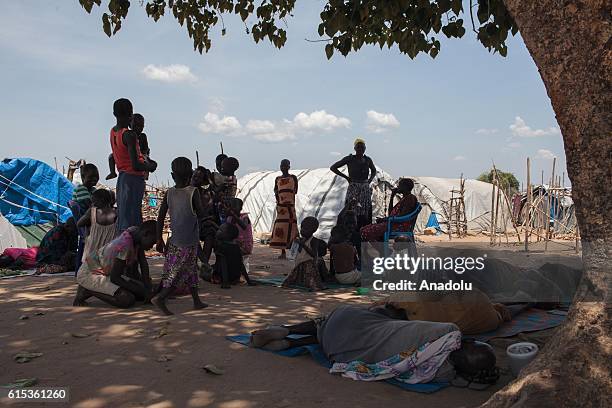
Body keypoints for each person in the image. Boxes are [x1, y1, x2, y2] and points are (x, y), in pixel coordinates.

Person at [250, 305, 498, 386]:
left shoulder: (448, 331)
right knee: (348, 338)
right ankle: (292, 342)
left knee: (335, 322)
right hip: (340, 351)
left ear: (468, 343)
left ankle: (287, 330)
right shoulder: (438, 372)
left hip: (346, 320)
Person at [153, 157, 208, 315]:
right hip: (188, 241)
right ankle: (161, 298)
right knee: (179, 273)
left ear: (172, 175)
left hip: (175, 241)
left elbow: (160, 217)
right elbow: (202, 214)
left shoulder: (169, 193)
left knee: (190, 271)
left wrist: (158, 239)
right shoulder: (193, 192)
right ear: (191, 174)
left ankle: (196, 301)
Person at [73, 220, 157, 308]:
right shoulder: (125, 245)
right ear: (146, 234)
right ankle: (87, 290)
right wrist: (143, 290)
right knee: (126, 299)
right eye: (153, 242)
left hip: (105, 271)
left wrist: (147, 288)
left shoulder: (136, 234)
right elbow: (115, 278)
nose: (152, 246)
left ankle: (92, 288)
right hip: (90, 272)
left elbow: (143, 264)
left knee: (140, 293)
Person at [109, 98, 157, 234]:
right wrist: (151, 166)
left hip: (123, 178)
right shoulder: (129, 135)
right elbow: (136, 165)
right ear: (131, 115)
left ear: (114, 113)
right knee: (132, 218)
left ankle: (124, 248)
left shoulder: (113, 132)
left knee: (125, 214)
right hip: (133, 179)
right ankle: (130, 250)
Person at [330, 138, 377, 230]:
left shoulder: (367, 160)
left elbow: (374, 170)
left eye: (362, 147)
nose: (360, 149)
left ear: (365, 148)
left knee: (365, 210)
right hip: (354, 187)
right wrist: (346, 177)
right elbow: (333, 167)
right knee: (352, 208)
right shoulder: (349, 159)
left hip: (365, 188)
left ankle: (364, 230)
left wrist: (369, 180)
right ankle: (350, 230)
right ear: (354, 148)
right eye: (358, 147)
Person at [360, 178, 418, 242]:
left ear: (405, 187)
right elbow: (391, 213)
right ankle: (384, 250)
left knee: (365, 231)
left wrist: (385, 219)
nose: (398, 186)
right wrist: (392, 197)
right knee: (365, 229)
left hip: (398, 226)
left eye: (400, 185)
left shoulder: (410, 198)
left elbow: (403, 216)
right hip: (393, 224)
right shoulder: (404, 199)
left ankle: (383, 250)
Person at [282, 217, 329, 291]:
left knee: (309, 264)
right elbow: (288, 247)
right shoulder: (299, 240)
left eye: (306, 229)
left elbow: (314, 255)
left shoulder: (314, 241)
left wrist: (303, 245)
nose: (302, 231)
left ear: (313, 230)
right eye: (302, 228)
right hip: (298, 266)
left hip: (309, 266)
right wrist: (293, 240)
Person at [207, 223, 255, 288]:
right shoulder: (236, 247)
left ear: (226, 235)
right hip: (235, 277)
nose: (217, 232)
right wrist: (248, 281)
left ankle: (223, 280)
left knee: (205, 272)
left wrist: (225, 282)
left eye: (220, 230)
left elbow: (223, 265)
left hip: (222, 277)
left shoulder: (222, 247)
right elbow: (241, 265)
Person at [77, 189, 117, 264]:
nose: (93, 203)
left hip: (93, 248)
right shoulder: (117, 212)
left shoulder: (92, 212)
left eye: (94, 201)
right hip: (110, 250)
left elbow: (79, 223)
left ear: (101, 200)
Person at [269, 159, 299, 259]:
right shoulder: (277, 179)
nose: (283, 167)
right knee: (280, 227)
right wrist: (278, 201)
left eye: (285, 165)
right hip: (281, 208)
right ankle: (283, 252)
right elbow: (276, 190)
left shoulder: (293, 178)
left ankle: (293, 251)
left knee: (292, 227)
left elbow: (295, 191)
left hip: (290, 207)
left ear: (289, 167)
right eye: (282, 165)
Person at [107, 113, 150, 180]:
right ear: (130, 125)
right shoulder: (127, 134)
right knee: (111, 156)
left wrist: (141, 155)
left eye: (141, 126)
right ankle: (112, 172)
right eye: (137, 126)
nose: (139, 128)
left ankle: (145, 176)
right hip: (127, 155)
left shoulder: (143, 136)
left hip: (141, 156)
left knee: (146, 161)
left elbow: (145, 150)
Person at [191, 166, 218, 268]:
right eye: (195, 175)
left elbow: (206, 212)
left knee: (210, 233)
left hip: (201, 224)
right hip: (189, 225)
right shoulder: (185, 190)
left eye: (199, 177)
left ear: (203, 181)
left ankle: (204, 263)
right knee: (193, 234)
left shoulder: (205, 193)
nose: (195, 178)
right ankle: (201, 262)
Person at [224, 198, 253, 274]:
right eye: (230, 206)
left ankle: (243, 273)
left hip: (244, 245)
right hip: (235, 244)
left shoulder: (244, 217)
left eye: (234, 206)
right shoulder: (229, 218)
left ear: (240, 208)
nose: (231, 208)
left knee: (243, 261)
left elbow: (244, 226)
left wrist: (233, 215)